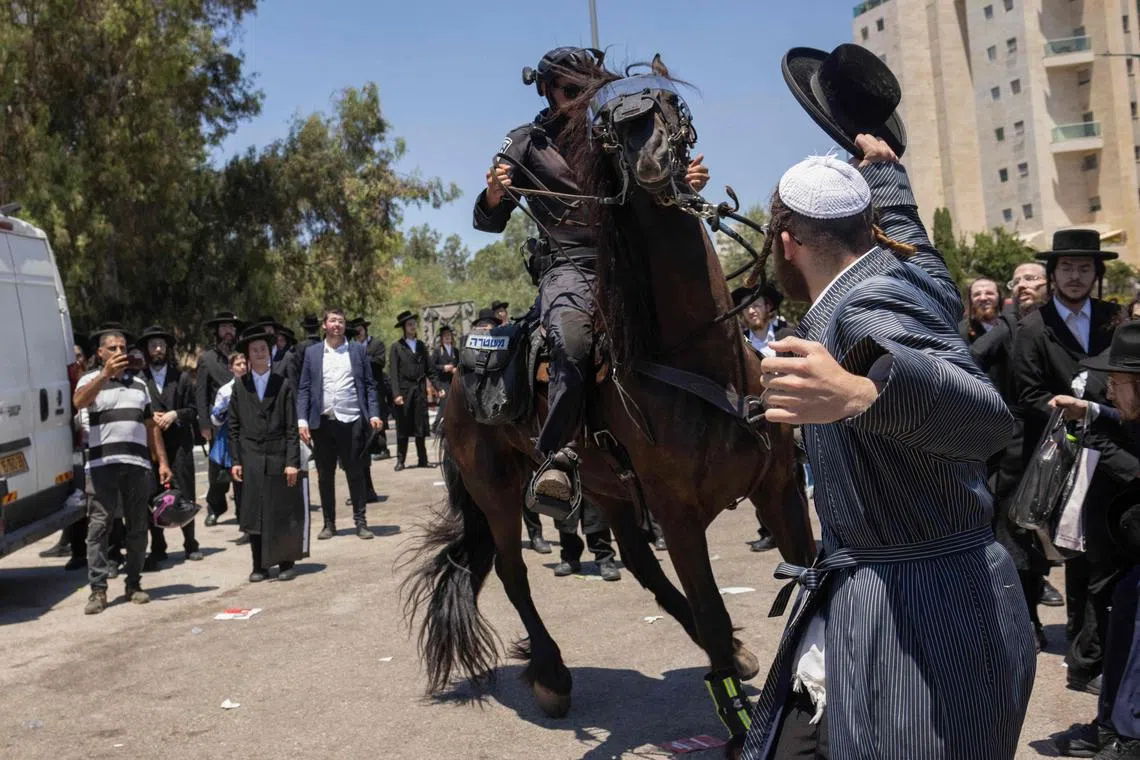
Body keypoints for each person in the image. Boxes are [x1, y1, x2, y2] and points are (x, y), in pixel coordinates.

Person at [740, 140, 1033, 755]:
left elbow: (987, 421)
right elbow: (920, 254)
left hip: (918, 618)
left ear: (786, 242)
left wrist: (860, 395)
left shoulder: (862, 306)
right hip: (941, 591)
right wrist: (888, 176)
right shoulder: (908, 276)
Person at [474, 46, 709, 512]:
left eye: (588, 88)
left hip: (628, 258)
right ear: (546, 89)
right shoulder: (525, 142)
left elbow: (651, 186)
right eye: (569, 88)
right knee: (574, 341)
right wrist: (495, 194)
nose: (580, 96)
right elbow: (487, 221)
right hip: (569, 265)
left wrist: (683, 183)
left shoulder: (613, 131)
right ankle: (557, 454)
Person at [1012, 228, 1122, 694]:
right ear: (1053, 274)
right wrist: (1073, 411)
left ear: (1096, 274)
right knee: (1079, 558)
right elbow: (1029, 394)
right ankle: (1085, 659)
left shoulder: (1114, 319)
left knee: (1113, 558)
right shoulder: (1033, 327)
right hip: (1064, 460)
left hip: (1116, 451)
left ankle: (1108, 650)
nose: (1075, 276)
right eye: (1067, 268)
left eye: (1084, 268)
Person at [1049, 322, 1140, 759]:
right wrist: (1089, 415)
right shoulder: (1126, 414)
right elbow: (1118, 419)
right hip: (1126, 554)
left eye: (1118, 383)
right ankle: (1111, 726)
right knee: (1121, 614)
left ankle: (1130, 736)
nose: (1109, 392)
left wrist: (1096, 437)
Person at [969, 260, 1059, 651]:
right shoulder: (1010, 325)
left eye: (1032, 279)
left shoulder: (1060, 324)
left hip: (1061, 443)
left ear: (1047, 285)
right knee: (1014, 535)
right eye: (1018, 280)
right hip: (1016, 451)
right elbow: (972, 357)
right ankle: (1027, 620)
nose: (1025, 285)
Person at [75, 324, 173, 614]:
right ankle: (98, 590)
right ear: (100, 352)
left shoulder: (139, 384)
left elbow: (150, 426)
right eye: (113, 348)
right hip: (102, 465)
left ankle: (134, 583)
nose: (120, 352)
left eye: (122, 348)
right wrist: (104, 375)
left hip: (137, 465)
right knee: (99, 526)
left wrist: (163, 461)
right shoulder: (90, 380)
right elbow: (78, 402)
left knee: (138, 525)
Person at [296, 308, 383, 540]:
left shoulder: (357, 351)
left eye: (341, 321)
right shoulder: (313, 353)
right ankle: (329, 523)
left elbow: (370, 384)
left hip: (351, 419)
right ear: (324, 325)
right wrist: (302, 420)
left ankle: (361, 521)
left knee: (355, 472)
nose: (337, 324)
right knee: (325, 475)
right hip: (322, 422)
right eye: (332, 321)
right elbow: (303, 387)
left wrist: (374, 413)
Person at [229, 327, 307, 582]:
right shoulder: (240, 387)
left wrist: (292, 462)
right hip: (250, 456)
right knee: (254, 513)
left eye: (264, 349)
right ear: (247, 356)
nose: (260, 353)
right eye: (255, 350)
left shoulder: (282, 384)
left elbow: (291, 428)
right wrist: (236, 460)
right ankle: (259, 565)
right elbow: (233, 426)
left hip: (278, 455)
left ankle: (285, 562)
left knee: (280, 511)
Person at [731, 285, 791, 554]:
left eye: (756, 304)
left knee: (793, 477)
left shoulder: (786, 336)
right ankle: (769, 531)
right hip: (756, 421)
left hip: (793, 416)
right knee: (760, 478)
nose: (751, 310)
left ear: (769, 307)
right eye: (746, 307)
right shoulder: (738, 344)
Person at [137, 325, 203, 568]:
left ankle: (191, 543)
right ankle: (158, 545)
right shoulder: (140, 380)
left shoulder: (182, 377)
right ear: (146, 350)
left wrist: (175, 414)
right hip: (151, 447)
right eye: (153, 345)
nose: (157, 349)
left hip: (179, 446)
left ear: (167, 349)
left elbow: (194, 410)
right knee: (152, 495)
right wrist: (149, 418)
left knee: (185, 492)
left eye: (161, 345)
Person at [196, 311, 242, 527]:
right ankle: (215, 506)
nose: (228, 332)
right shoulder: (207, 359)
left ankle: (245, 511)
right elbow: (201, 394)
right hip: (219, 425)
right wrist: (205, 425)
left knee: (242, 468)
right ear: (217, 332)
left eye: (231, 328)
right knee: (217, 470)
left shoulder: (243, 356)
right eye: (224, 328)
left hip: (245, 423)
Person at [389, 310, 434, 470]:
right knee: (403, 426)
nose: (413, 326)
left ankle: (423, 459)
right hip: (405, 390)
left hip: (420, 389)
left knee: (420, 425)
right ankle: (401, 460)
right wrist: (396, 394)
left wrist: (438, 387)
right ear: (404, 327)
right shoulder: (397, 347)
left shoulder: (421, 345)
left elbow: (430, 369)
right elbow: (393, 373)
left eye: (414, 324)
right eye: (409, 324)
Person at [347, 317, 385, 503]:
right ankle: (357, 493)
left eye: (359, 330)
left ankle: (368, 490)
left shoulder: (371, 346)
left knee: (364, 451)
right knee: (349, 457)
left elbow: (378, 364)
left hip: (363, 405)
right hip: (346, 408)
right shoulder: (344, 352)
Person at [429, 324, 457, 434]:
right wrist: (443, 367)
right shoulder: (437, 351)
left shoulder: (456, 351)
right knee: (444, 403)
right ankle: (436, 425)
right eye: (445, 335)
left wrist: (455, 369)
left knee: (454, 403)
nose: (447, 337)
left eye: (449, 335)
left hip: (453, 381)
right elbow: (432, 366)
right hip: (443, 381)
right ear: (441, 338)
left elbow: (460, 364)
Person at [959, 277, 1003, 343]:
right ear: (971, 300)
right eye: (977, 294)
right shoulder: (961, 332)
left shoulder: (1011, 326)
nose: (983, 298)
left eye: (989, 293)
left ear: (999, 297)